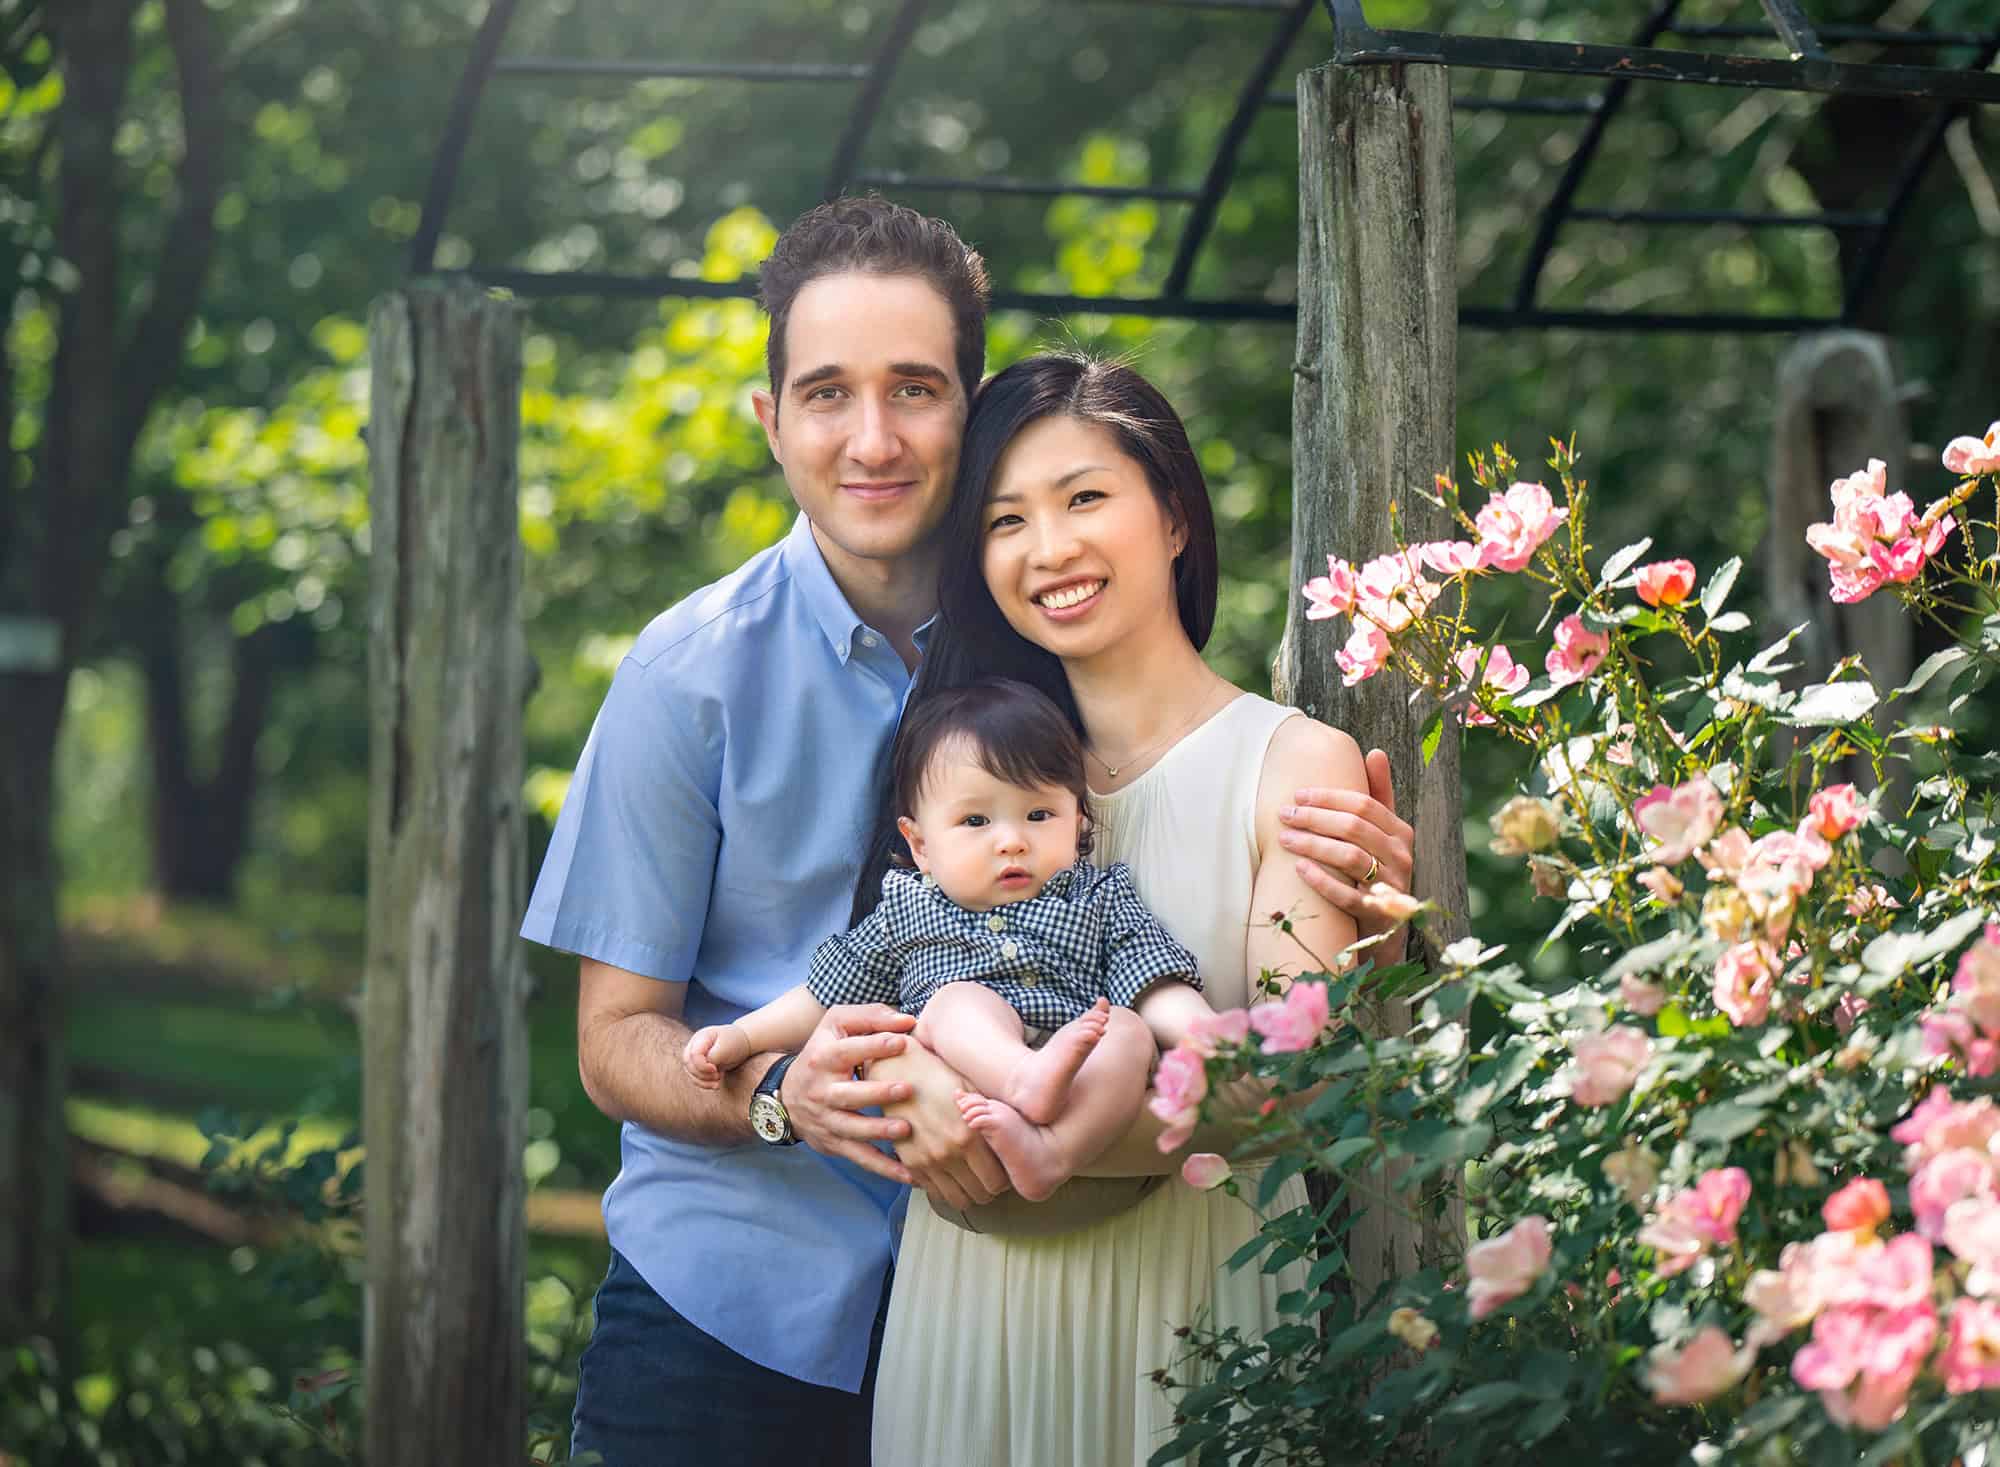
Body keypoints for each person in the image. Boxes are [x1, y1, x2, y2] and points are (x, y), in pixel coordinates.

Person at [521, 194, 1415, 1466]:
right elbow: (614, 1041)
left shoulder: (1050, 668)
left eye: (915, 389)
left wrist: (1368, 925)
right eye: (826, 393)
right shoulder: (686, 677)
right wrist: (792, 1095)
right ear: (771, 420)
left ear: (969, 405)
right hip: (736, 1312)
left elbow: (1253, 936)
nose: (871, 437)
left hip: (1004, 1292)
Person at [868, 352, 1380, 1466]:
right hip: (966, 1322)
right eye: (1005, 520)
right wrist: (895, 1082)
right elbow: (874, 994)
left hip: (1191, 1321)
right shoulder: (953, 778)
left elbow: (1283, 1090)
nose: (1048, 549)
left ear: (1176, 518)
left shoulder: (1292, 766)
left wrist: (984, 1120)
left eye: (1084, 497)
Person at [684, 678, 1222, 1201]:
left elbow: (1151, 975)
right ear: (919, 844)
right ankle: (1021, 1077)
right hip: (964, 1087)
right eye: (975, 820)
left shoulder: (1097, 896)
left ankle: (1051, 1152)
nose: (1011, 841)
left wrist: (1206, 1033)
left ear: (1078, 820)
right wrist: (743, 1038)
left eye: (1039, 815)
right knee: (955, 1002)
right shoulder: (908, 911)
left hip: (1077, 1078)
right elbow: (825, 996)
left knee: (1127, 1030)